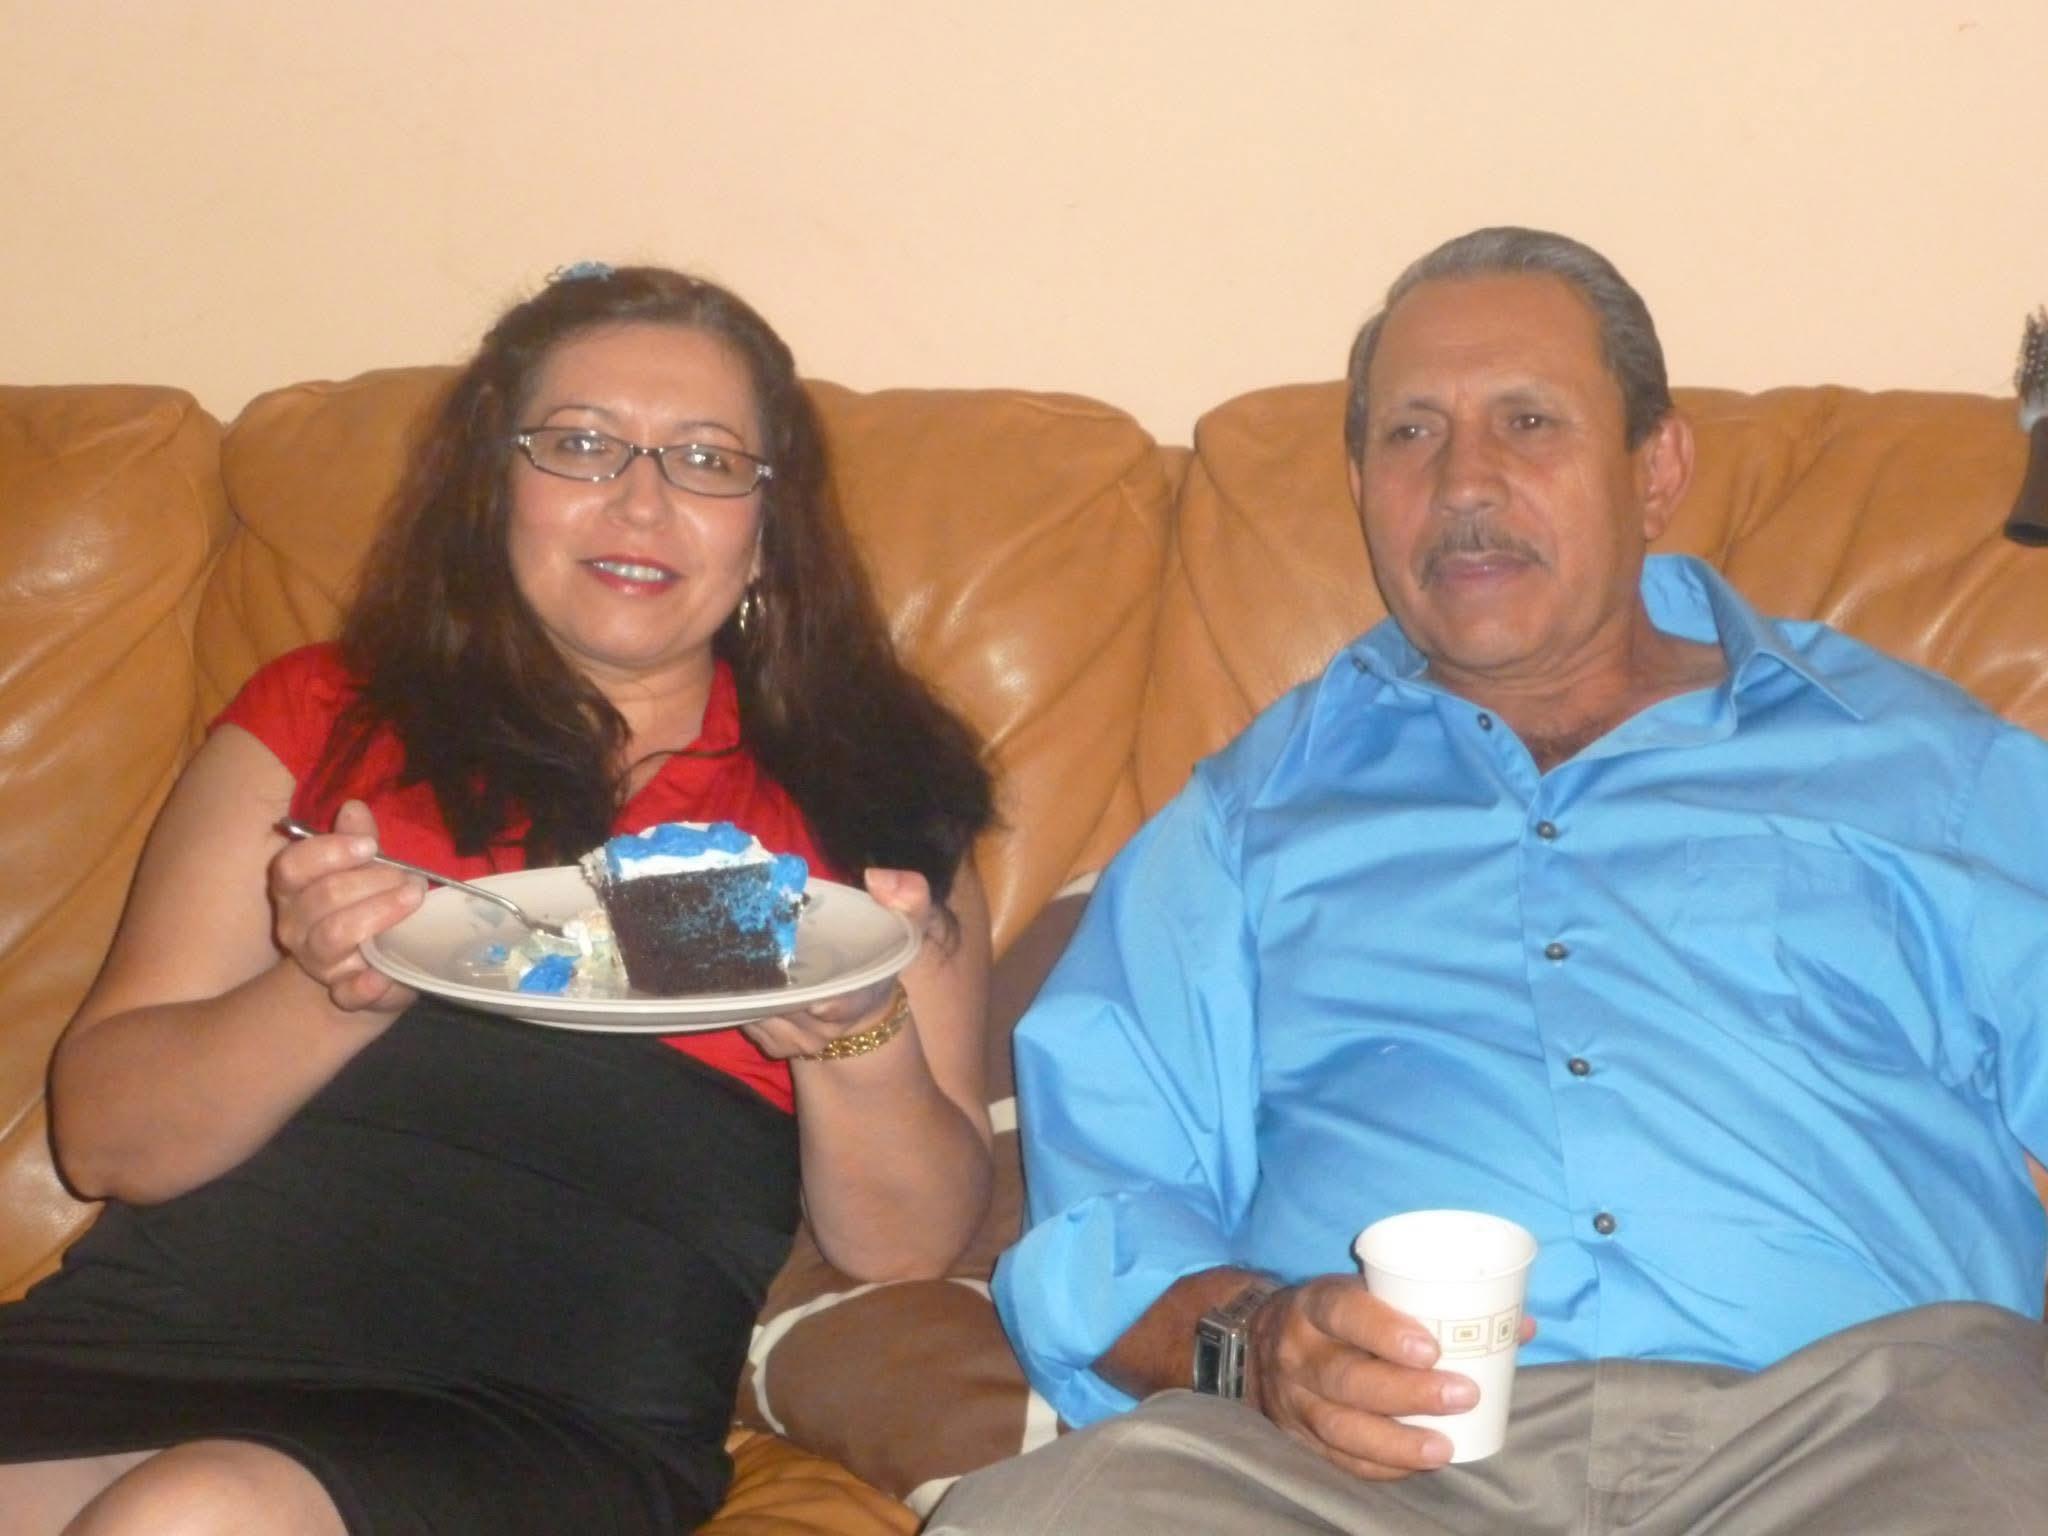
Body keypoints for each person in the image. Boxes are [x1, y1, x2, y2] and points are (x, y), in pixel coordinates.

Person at [929, 228, 2048, 1535]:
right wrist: (1262, 1343)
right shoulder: (1245, 818)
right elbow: (1104, 1219)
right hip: (1369, 1478)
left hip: (1876, 1433)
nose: (1466, 481)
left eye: (1528, 421)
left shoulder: (1926, 765)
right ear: (1358, 485)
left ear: (1657, 469)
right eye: (1410, 435)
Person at [0, 263, 996, 1535]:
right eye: (581, 445)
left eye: (705, 460)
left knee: (193, 1515)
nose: (641, 501)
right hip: (148, 1341)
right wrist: (336, 989)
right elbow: (107, 1141)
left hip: (538, 1402)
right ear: (494, 486)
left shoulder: (869, 794)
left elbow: (905, 1244)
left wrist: (855, 1027)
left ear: (768, 519)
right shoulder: (323, 713)